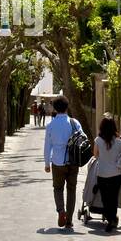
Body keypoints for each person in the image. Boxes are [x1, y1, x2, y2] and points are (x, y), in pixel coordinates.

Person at [43, 96, 82, 229]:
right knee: (71, 190)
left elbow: (47, 146)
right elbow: (83, 139)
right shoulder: (74, 123)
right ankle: (69, 220)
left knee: (58, 188)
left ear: (54, 108)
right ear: (67, 107)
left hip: (57, 162)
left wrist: (47, 163)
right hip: (73, 162)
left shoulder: (50, 125)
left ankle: (61, 211)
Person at [93, 115, 121, 232]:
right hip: (117, 174)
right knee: (114, 198)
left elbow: (95, 155)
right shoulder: (120, 140)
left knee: (105, 198)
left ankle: (111, 219)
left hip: (102, 173)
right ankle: (113, 218)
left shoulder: (98, 140)